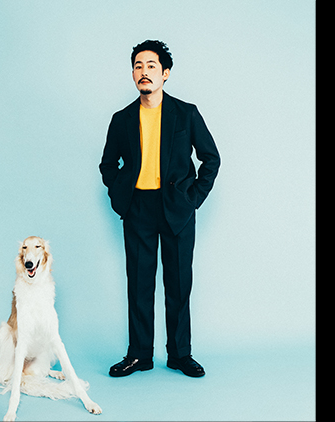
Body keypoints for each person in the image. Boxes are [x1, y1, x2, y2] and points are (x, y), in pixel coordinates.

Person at [99, 40, 220, 378]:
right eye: (138, 66)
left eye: (151, 66)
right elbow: (108, 165)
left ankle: (180, 354)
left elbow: (211, 159)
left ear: (165, 73)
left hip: (177, 208)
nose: (144, 72)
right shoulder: (121, 119)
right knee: (139, 286)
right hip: (138, 207)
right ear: (133, 74)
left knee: (178, 285)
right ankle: (139, 355)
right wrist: (122, 198)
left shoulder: (186, 113)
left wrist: (192, 199)